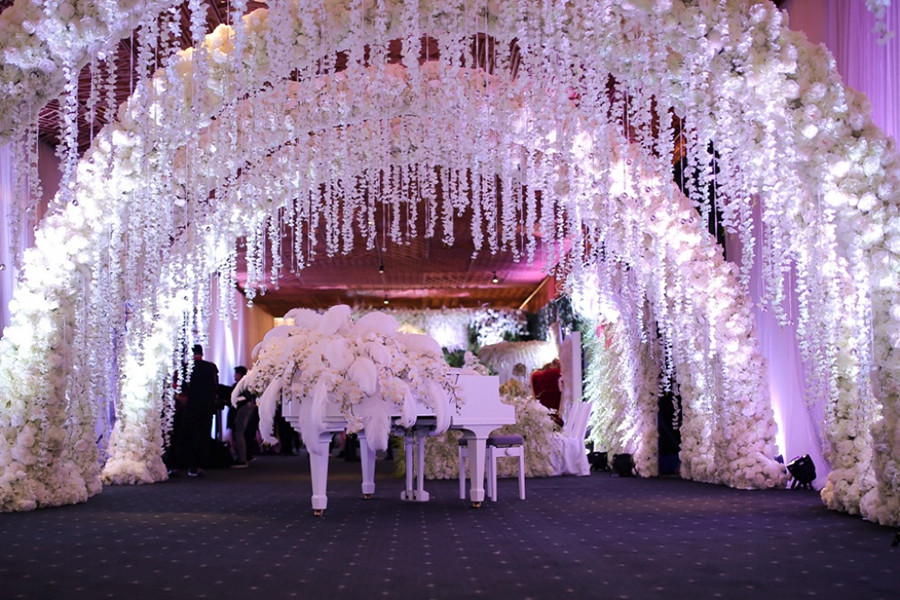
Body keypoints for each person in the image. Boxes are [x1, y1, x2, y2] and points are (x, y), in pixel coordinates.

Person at [182, 344, 219, 477]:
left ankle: (190, 465)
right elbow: (216, 386)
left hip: (192, 406)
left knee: (190, 435)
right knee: (204, 435)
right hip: (207, 406)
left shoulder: (187, 368)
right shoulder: (211, 367)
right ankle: (201, 465)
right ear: (202, 353)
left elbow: (183, 387)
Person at [230, 366, 258, 468]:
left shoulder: (241, 386)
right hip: (247, 410)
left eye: (236, 373)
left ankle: (242, 459)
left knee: (239, 434)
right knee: (244, 434)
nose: (234, 375)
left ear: (240, 374)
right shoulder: (248, 385)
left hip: (242, 411)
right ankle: (246, 456)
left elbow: (243, 398)